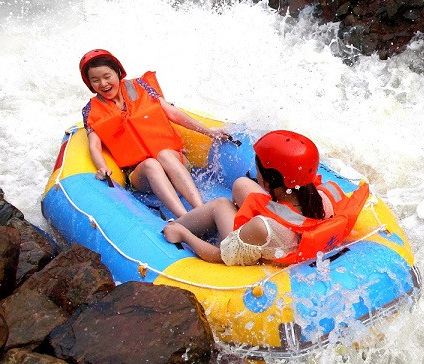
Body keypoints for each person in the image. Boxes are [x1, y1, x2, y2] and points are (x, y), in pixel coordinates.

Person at [162, 130, 369, 266]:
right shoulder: (325, 195)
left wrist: (184, 236)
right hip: (291, 232)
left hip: (272, 238)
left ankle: (177, 224)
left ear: (268, 182)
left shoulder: (261, 227)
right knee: (241, 185)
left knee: (221, 205)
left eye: (258, 170)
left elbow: (221, 256)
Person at [79, 49, 228, 218]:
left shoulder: (141, 86)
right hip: (141, 174)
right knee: (151, 163)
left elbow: (173, 113)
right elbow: (94, 145)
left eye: (107, 76)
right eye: (95, 80)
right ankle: (186, 217)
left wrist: (209, 132)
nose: (103, 84)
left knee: (163, 154)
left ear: (118, 73)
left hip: (174, 159)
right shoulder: (90, 110)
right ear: (90, 84)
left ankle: (201, 210)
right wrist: (102, 167)